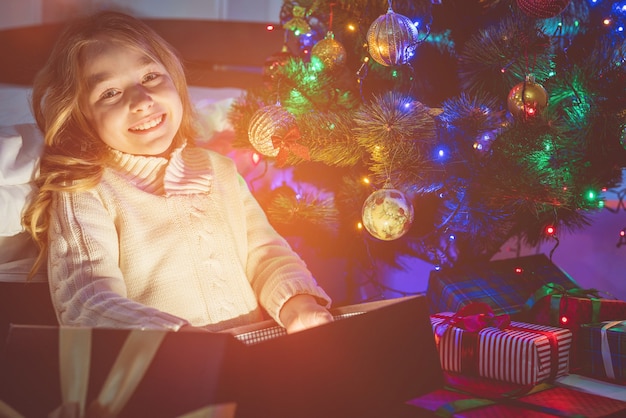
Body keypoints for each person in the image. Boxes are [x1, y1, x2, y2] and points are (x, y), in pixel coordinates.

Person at [23, 10, 333, 334]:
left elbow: (265, 253)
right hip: (164, 371)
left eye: (150, 77)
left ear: (175, 80)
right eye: (110, 93)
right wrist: (179, 340)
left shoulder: (220, 170)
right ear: (81, 115)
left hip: (253, 358)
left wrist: (298, 304)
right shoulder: (86, 190)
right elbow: (88, 302)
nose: (141, 100)